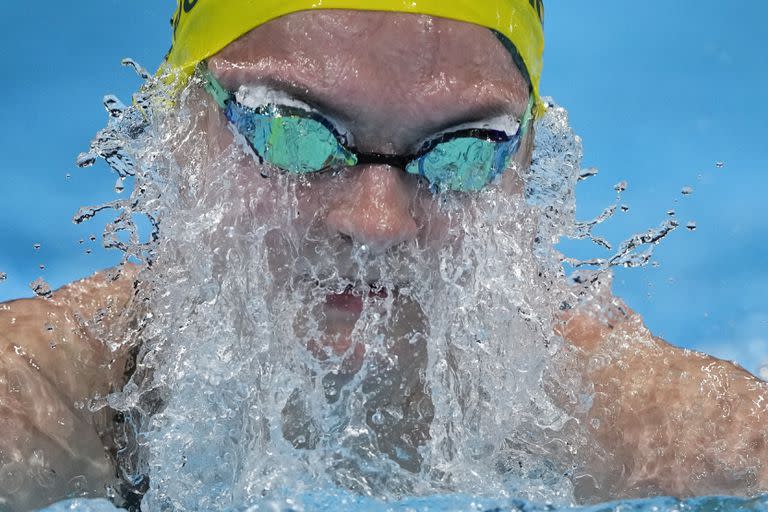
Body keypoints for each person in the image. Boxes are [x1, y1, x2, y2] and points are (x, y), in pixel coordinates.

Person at [1, 1, 766, 510]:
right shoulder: (52, 399)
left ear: (528, 161)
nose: (377, 223)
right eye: (292, 132)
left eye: (463, 151)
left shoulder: (624, 419)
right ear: (176, 126)